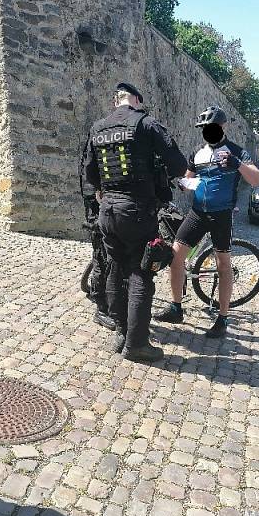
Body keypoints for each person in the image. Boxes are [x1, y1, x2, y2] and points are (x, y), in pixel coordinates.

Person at [82, 83, 187, 362]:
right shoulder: (146, 124)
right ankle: (137, 343)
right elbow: (178, 165)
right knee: (142, 272)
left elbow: (91, 174)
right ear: (137, 100)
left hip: (108, 210)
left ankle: (121, 332)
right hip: (137, 210)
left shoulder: (98, 128)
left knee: (116, 269)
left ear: (115, 101)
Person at [154, 106, 259, 338]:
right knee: (175, 257)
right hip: (197, 213)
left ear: (223, 127)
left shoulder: (236, 152)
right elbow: (188, 182)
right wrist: (182, 183)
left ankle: (223, 318)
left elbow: (256, 180)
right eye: (204, 128)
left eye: (211, 127)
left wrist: (237, 164)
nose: (207, 132)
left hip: (221, 215)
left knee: (223, 264)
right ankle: (176, 307)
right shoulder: (197, 154)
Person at [79, 134, 114, 331]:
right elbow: (90, 173)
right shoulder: (101, 136)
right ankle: (101, 309)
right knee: (101, 254)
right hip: (97, 200)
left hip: (104, 198)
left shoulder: (103, 134)